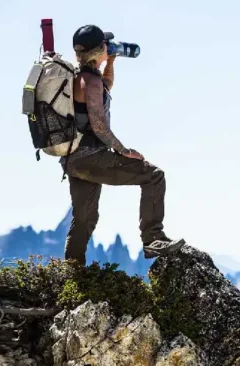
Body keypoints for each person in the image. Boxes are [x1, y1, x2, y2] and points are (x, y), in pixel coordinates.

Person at [62, 24, 184, 265]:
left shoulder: (80, 79)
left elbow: (106, 86)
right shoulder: (90, 82)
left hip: (72, 159)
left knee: (84, 218)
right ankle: (153, 238)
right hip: (91, 156)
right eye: (106, 46)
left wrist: (111, 63)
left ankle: (72, 272)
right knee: (153, 176)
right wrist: (123, 150)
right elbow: (98, 125)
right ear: (99, 50)